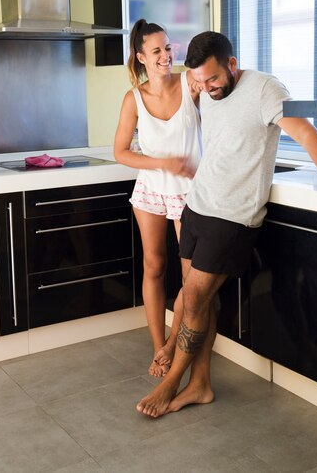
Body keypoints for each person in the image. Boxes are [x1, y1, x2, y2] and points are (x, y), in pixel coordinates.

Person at [136, 30, 317, 417]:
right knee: (197, 298)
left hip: (232, 216)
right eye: (199, 81)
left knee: (197, 298)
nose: (206, 88)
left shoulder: (266, 89)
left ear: (232, 64)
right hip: (198, 205)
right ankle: (200, 386)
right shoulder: (207, 89)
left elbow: (305, 135)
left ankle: (171, 383)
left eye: (213, 78)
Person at [114, 19, 202, 377]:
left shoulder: (190, 83)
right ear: (141, 58)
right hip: (150, 189)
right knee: (154, 266)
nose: (166, 56)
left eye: (168, 48)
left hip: (189, 193)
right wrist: (161, 162)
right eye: (157, 51)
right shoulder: (133, 99)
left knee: (192, 278)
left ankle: (172, 347)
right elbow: (120, 151)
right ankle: (157, 345)